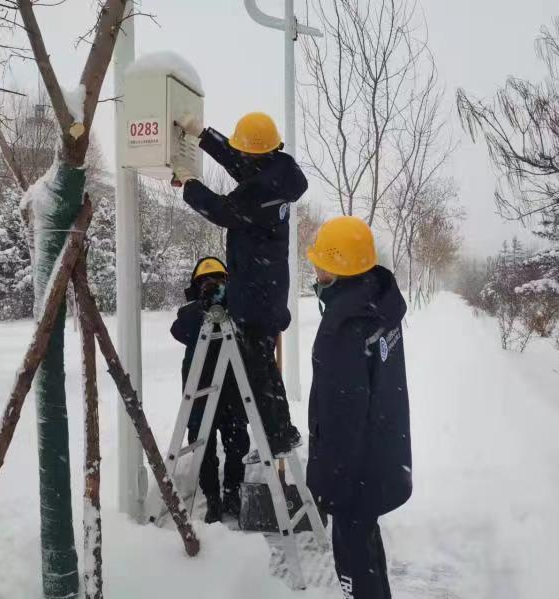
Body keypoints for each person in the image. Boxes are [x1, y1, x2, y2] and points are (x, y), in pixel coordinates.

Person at [171, 112, 305, 457]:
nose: (240, 155)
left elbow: (222, 210)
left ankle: (277, 436)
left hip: (256, 295)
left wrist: (190, 184)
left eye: (244, 149)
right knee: (264, 366)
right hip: (269, 287)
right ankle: (282, 432)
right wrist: (203, 135)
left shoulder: (260, 190)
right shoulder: (278, 170)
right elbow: (239, 162)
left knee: (257, 371)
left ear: (256, 153)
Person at [305, 216, 412, 599]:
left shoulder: (344, 327)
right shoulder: (378, 304)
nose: (315, 271)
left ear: (337, 268)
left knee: (354, 566)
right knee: (368, 551)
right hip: (379, 456)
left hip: (353, 474)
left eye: (321, 264)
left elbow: (341, 417)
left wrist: (330, 484)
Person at [170, 257, 250, 523]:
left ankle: (232, 492)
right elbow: (179, 330)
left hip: (232, 392)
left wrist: (226, 305)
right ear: (197, 287)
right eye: (206, 282)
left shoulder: (237, 311)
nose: (213, 285)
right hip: (200, 395)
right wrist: (202, 307)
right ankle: (213, 498)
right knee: (203, 449)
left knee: (237, 445)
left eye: (218, 280)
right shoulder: (190, 315)